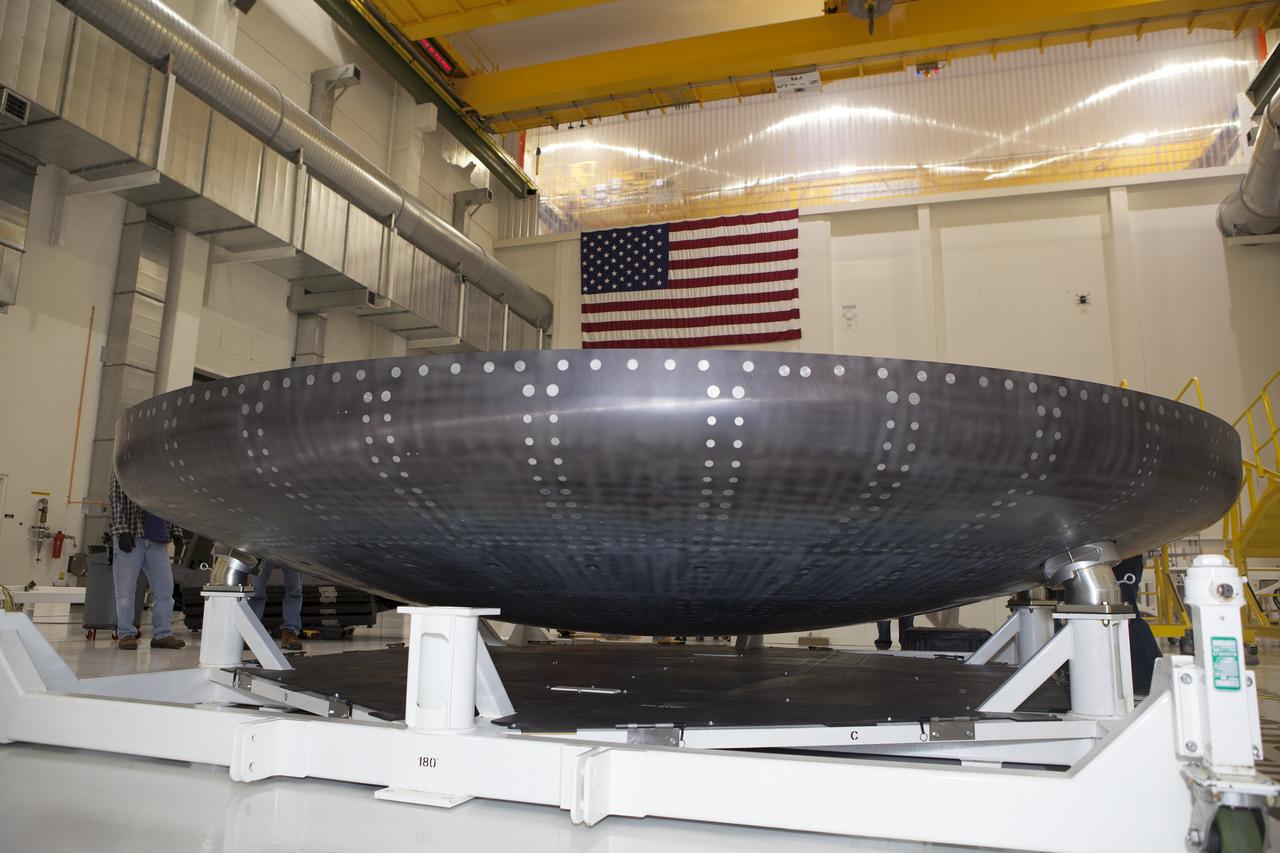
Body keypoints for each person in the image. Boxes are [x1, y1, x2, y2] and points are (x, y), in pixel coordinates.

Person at [107, 472, 186, 651]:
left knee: (165, 589)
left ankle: (162, 635)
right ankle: (126, 634)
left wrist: (176, 530)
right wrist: (121, 530)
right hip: (132, 536)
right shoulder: (124, 467)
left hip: (158, 540)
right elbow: (116, 498)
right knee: (126, 589)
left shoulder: (161, 471)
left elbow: (170, 503)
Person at [249, 561, 304, 651]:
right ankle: (251, 632)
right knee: (256, 590)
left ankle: (290, 631)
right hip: (263, 547)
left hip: (292, 548)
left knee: (295, 589)